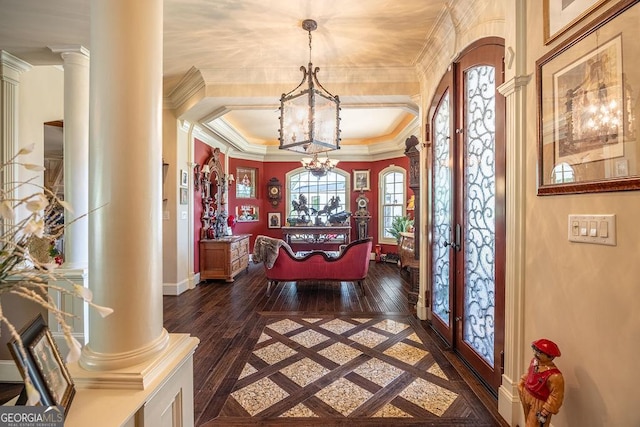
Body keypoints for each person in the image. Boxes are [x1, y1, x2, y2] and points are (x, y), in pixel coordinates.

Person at [518, 339, 565, 427]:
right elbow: (530, 374)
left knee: (534, 425)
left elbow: (556, 396)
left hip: (539, 402)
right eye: (535, 351)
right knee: (527, 420)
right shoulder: (534, 362)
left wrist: (547, 409)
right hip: (527, 395)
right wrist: (522, 381)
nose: (536, 354)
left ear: (550, 357)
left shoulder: (555, 376)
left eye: (540, 353)